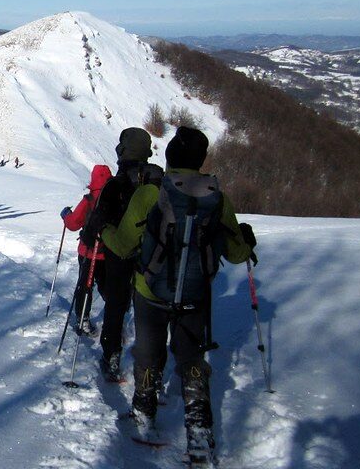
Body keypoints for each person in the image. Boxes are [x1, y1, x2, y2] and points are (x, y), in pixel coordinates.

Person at [100, 127, 258, 465]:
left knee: (148, 350)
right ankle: (199, 429)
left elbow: (124, 245)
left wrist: (104, 229)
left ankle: (144, 412)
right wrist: (247, 241)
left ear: (168, 158)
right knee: (190, 357)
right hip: (195, 293)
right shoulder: (218, 198)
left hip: (150, 290)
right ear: (201, 161)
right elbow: (236, 253)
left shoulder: (148, 194)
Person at [92, 127, 163, 382]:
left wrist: (103, 229)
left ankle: (112, 353)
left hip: (119, 253)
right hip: (154, 256)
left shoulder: (116, 184)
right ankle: (151, 366)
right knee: (148, 309)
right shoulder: (159, 180)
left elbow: (100, 218)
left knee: (116, 304)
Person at [60, 164, 113, 336]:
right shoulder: (117, 198)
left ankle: (83, 318)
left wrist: (65, 215)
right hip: (108, 252)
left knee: (85, 285)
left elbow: (73, 223)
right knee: (107, 286)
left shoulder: (89, 199)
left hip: (88, 251)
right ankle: (114, 317)